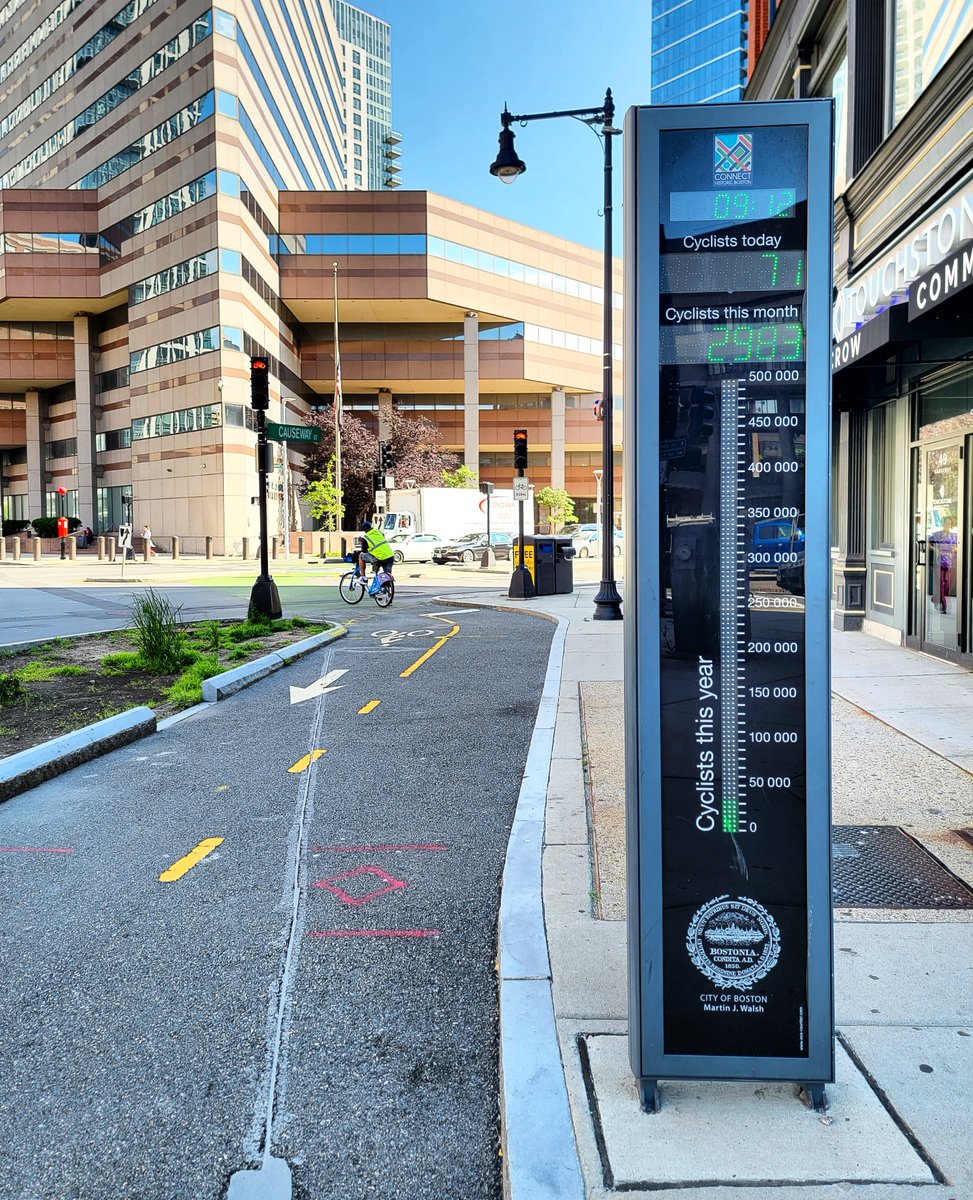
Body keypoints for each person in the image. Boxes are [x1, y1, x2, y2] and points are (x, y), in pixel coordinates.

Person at [358, 520, 394, 594]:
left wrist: (362, 542)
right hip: (390, 556)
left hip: (380, 557)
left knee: (361, 556)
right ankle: (387, 592)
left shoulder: (366, 537)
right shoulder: (378, 532)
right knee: (387, 574)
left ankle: (363, 577)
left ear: (364, 530)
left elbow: (364, 551)